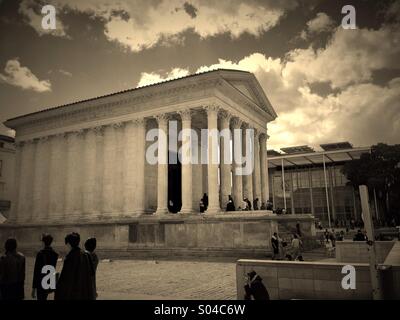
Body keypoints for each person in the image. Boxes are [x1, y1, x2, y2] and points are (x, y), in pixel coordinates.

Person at [55, 232, 95, 300]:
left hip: (74, 294)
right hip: (85, 293)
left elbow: (65, 280)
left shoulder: (70, 258)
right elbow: (91, 274)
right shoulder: (86, 255)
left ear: (68, 244)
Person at [32, 234, 59, 301]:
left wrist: (34, 287)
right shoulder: (55, 254)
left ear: (43, 242)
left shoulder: (40, 254)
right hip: (49, 281)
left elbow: (36, 271)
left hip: (40, 281)